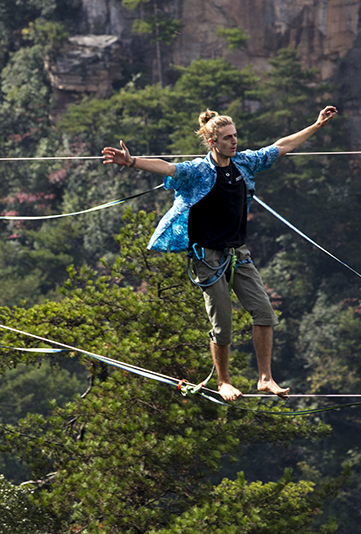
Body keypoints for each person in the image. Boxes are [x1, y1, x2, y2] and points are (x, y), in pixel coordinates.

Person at [102, 104, 338, 401]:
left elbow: (281, 146)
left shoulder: (245, 163)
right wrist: (132, 161)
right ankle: (223, 382)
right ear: (212, 142)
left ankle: (265, 378)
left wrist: (316, 126)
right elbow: (168, 167)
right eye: (227, 138)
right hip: (208, 257)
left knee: (264, 312)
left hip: (238, 253)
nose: (234, 141)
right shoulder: (198, 171)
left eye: (235, 136)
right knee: (222, 324)